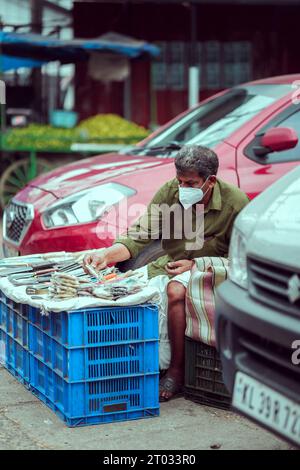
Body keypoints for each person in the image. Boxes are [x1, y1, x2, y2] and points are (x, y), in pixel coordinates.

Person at [83, 145, 249, 401]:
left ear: (211, 181)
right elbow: (139, 234)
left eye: (191, 183)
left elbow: (242, 258)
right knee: (124, 293)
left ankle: (176, 371)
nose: (183, 188)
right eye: (180, 181)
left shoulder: (235, 202)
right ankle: (138, 367)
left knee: (175, 290)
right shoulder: (170, 193)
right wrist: (105, 256)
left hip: (216, 272)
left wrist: (197, 265)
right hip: (171, 264)